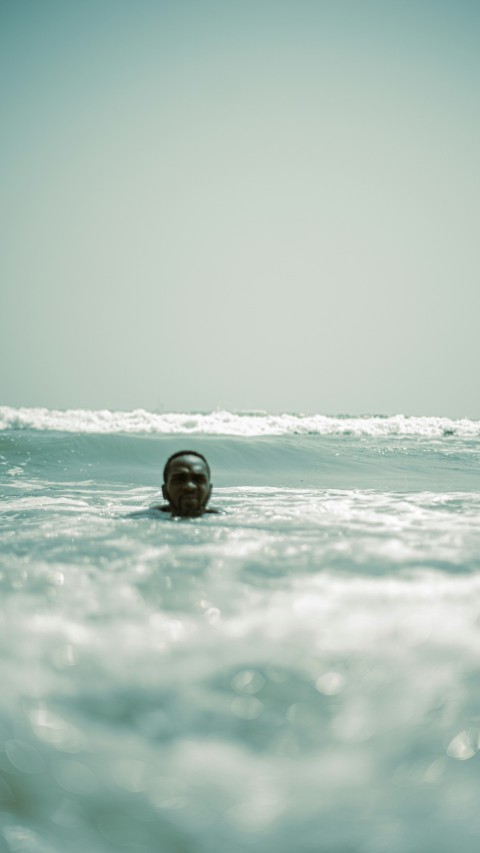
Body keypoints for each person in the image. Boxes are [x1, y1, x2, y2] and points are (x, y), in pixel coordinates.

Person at [154, 450, 218, 518]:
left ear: (210, 491)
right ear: (165, 491)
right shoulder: (146, 518)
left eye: (198, 480)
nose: (189, 486)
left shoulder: (225, 519)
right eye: (179, 480)